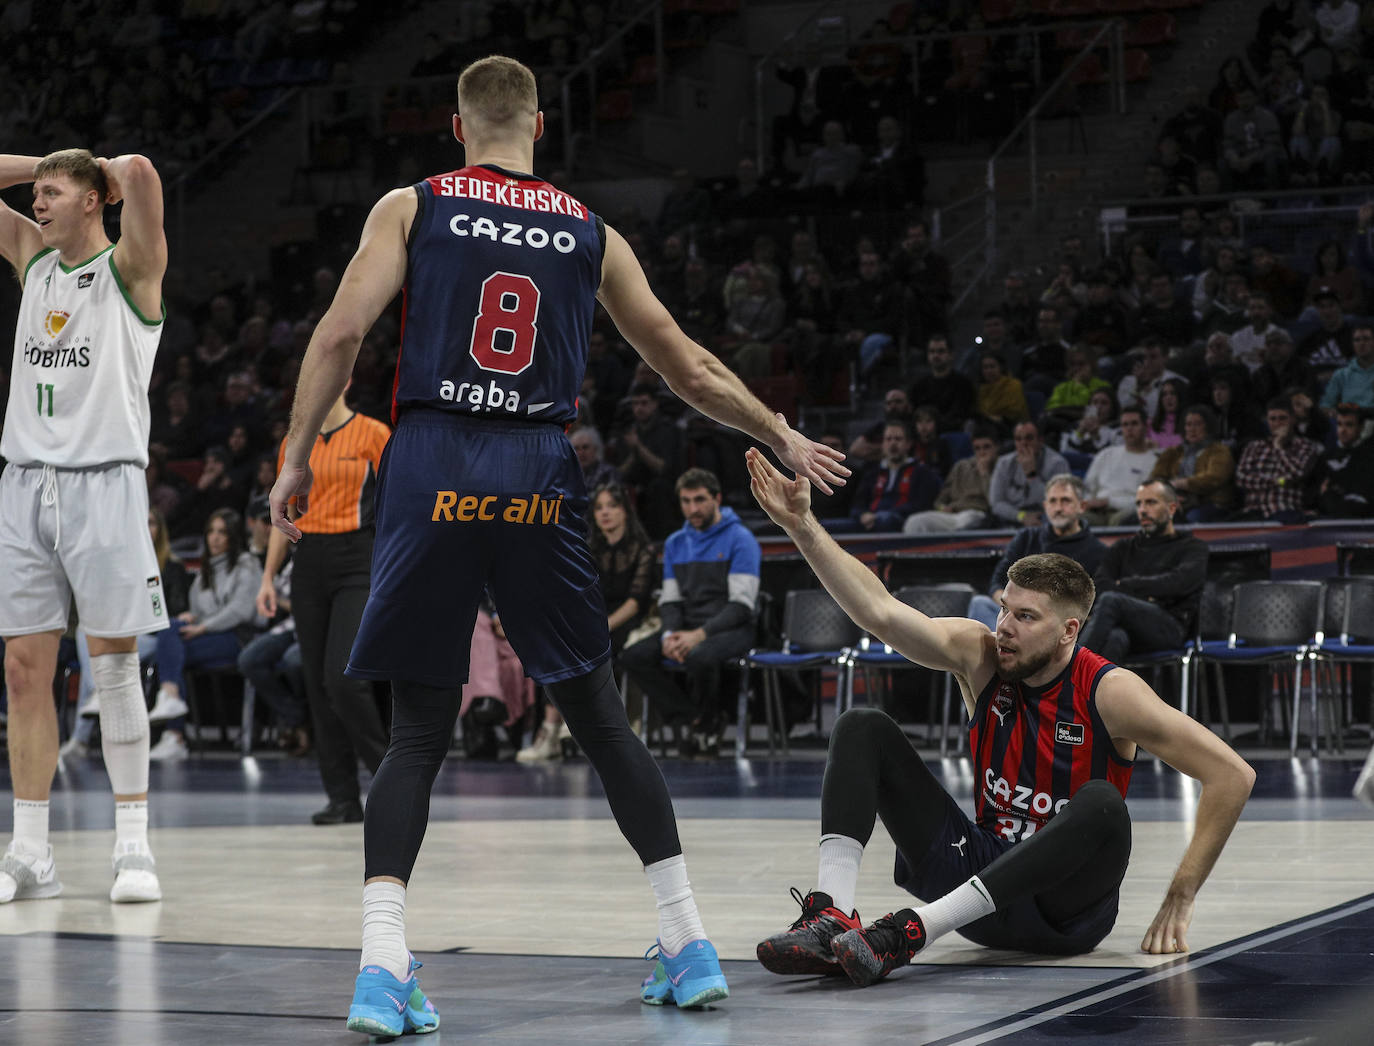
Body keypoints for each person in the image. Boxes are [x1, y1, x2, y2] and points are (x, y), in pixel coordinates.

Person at [268, 56, 848, 1035]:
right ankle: (688, 939)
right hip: (541, 461)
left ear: (458, 129)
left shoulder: (413, 206)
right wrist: (777, 431)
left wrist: (293, 457)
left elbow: (338, 337)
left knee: (416, 730)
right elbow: (685, 362)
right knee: (598, 711)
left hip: (433, 456)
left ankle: (380, 966)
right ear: (540, 125)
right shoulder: (590, 228)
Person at [745, 450, 1254, 985]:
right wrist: (802, 526)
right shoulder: (982, 653)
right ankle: (830, 914)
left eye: (1025, 616)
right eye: (1006, 608)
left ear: (1068, 630)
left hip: (1065, 912)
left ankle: (909, 931)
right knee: (860, 726)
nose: (1005, 626)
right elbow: (881, 611)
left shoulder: (1110, 690)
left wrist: (1182, 892)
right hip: (978, 888)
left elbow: (1232, 775)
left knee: (1104, 804)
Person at [0, 147, 169, 904]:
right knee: (23, 672)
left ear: (94, 199)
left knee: (113, 668)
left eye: (53, 192)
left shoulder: (133, 269)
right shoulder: (33, 260)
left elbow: (140, 174)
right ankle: (29, 849)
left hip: (106, 482)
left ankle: (132, 845)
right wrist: (48, 161)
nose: (37, 203)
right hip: (24, 483)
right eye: (33, 193)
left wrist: (103, 166)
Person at [258, 385, 391, 823]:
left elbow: (398, 502)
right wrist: (268, 578)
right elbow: (284, 516)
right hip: (308, 561)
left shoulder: (373, 433)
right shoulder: (294, 443)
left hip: (359, 560)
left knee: (342, 678)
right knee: (316, 682)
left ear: (348, 380)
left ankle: (393, 783)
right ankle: (343, 799)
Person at [621, 468, 760, 750]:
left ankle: (704, 724)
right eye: (686, 501)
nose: (692, 508)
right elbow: (670, 600)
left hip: (734, 627)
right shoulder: (675, 543)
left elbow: (741, 606)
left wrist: (699, 634)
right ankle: (694, 719)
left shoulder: (741, 539)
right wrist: (669, 634)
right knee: (632, 657)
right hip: (688, 625)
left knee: (700, 656)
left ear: (717, 498)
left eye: (699, 500)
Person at [518, 482, 656, 762]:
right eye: (600, 508)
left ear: (625, 512)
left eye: (612, 507)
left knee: (596, 648)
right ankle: (551, 731)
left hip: (626, 621)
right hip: (593, 616)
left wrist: (600, 627)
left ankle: (577, 724)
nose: (605, 513)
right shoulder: (588, 547)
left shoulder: (643, 549)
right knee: (559, 648)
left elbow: (635, 602)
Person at [148, 507, 262, 760]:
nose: (215, 538)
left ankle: (173, 724)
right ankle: (172, 716)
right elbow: (198, 607)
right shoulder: (206, 569)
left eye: (222, 532)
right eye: (211, 531)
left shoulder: (247, 564)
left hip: (239, 638)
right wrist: (192, 618)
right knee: (172, 629)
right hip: (209, 634)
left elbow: (240, 611)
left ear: (233, 536)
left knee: (169, 650)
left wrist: (203, 626)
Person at [1078, 481, 1209, 662]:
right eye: (1139, 504)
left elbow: (1179, 583)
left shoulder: (1193, 547)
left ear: (1171, 509)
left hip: (1170, 628)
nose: (1143, 510)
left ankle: (1070, 675)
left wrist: (1125, 586)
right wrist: (1147, 595)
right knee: (1116, 638)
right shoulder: (1122, 548)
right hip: (1129, 626)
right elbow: (1100, 585)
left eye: (1151, 503)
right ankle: (1089, 690)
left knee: (1112, 601)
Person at [968, 475, 1105, 631]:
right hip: (1016, 615)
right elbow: (997, 583)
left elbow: (1094, 607)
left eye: (1065, 501)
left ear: (1082, 506)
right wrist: (1017, 609)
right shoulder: (1026, 538)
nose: (1058, 508)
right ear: (1045, 506)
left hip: (1057, 627)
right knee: (980, 604)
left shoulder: (1098, 551)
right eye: (1053, 501)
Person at [825, 418, 939, 533]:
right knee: (823, 526)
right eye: (888, 439)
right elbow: (858, 503)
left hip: (901, 520)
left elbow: (922, 505)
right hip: (868, 520)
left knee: (885, 520)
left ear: (908, 444)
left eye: (898, 439)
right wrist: (862, 515)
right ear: (883, 444)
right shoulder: (872, 472)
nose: (893, 443)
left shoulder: (922, 472)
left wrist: (884, 514)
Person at [1233, 398, 1323, 523]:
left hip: (1284, 509)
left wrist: (1278, 446)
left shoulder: (1305, 446)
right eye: (1272, 419)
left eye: (1282, 418)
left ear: (1293, 420)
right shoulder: (1254, 446)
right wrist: (1278, 481)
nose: (1277, 423)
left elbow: (1296, 474)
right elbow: (1242, 479)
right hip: (1253, 511)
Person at [1149, 405, 1236, 523]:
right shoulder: (1173, 452)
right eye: (1188, 424)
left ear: (1208, 426)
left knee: (1189, 518)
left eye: (1198, 424)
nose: (1192, 429)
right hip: (1175, 501)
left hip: (1210, 503)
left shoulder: (1219, 451)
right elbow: (1155, 479)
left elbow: (1215, 478)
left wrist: (1182, 483)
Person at [902, 427, 998, 534]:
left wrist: (984, 473)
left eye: (986, 447)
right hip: (952, 515)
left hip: (978, 514)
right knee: (914, 522)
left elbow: (995, 504)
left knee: (967, 522)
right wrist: (942, 508)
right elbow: (939, 501)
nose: (982, 452)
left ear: (996, 448)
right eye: (977, 448)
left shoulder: (1001, 467)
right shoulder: (961, 467)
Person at [1081, 406, 1161, 527]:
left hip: (1127, 512)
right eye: (1125, 425)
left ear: (1145, 427)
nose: (1129, 429)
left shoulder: (1154, 462)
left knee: (1127, 519)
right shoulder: (1106, 454)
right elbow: (1088, 488)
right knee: (1072, 520)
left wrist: (1109, 502)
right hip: (1097, 511)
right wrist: (1089, 503)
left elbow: (1148, 502)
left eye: (1134, 424)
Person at [988, 421, 1071, 528]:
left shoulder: (1057, 463)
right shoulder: (1004, 463)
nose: (1023, 443)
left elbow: (1057, 504)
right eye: (1018, 439)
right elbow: (996, 503)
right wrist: (1022, 516)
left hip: (1044, 518)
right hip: (1014, 516)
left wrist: (1032, 476)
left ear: (1040, 441)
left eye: (1029, 438)